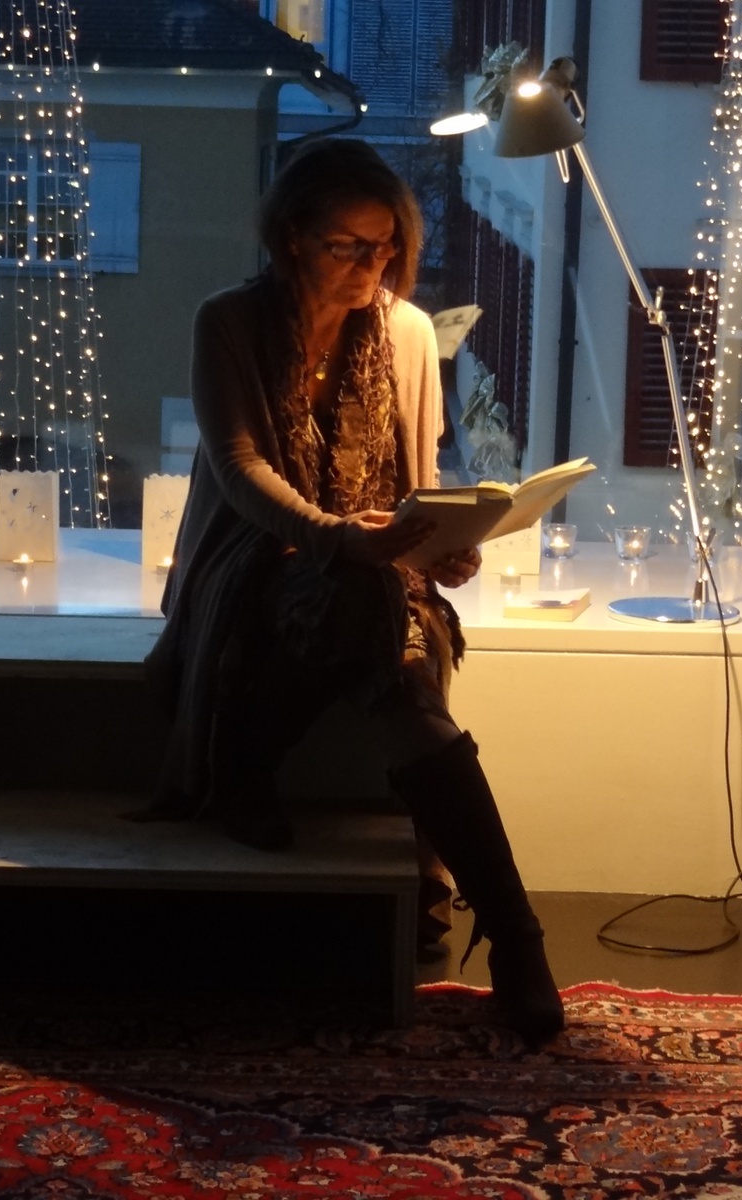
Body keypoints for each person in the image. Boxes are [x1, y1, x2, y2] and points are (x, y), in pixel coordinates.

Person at [140, 138, 564, 1047]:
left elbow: (418, 479)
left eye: (386, 246)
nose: (372, 265)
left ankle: (246, 760)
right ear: (291, 238)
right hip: (254, 559)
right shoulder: (229, 322)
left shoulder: (405, 330)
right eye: (348, 246)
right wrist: (339, 539)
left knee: (369, 611)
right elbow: (241, 469)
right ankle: (516, 939)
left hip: (370, 567)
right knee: (368, 615)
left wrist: (441, 548)